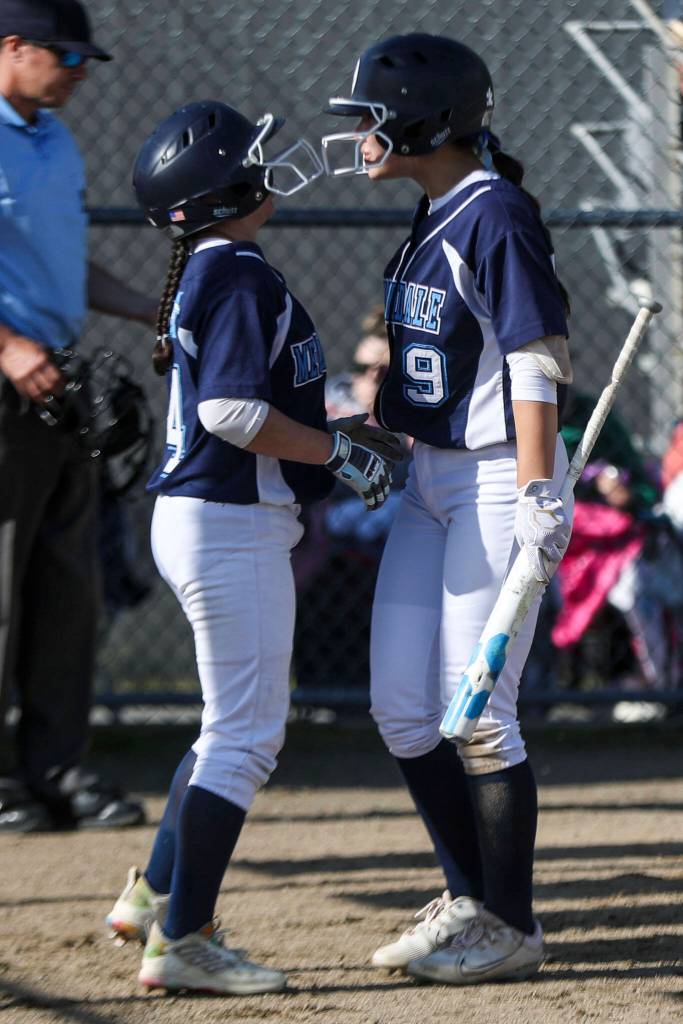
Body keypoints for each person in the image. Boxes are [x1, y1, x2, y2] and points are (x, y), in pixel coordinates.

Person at [105, 99, 400, 995]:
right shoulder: (234, 270)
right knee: (247, 737)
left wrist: (343, 428)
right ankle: (184, 940)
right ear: (222, 188)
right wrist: (340, 451)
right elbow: (228, 414)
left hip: (214, 519)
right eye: (254, 158)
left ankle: (153, 895)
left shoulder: (218, 264)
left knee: (225, 727)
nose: (273, 164)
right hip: (227, 525)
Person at [323, 33, 574, 985]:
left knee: (480, 713)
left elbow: (535, 357)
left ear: (427, 119)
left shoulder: (493, 211)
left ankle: (512, 924)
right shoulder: (435, 213)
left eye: (371, 118)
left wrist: (539, 488)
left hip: (494, 476)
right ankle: (468, 896)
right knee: (400, 706)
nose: (357, 136)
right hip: (430, 479)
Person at [0, 0, 160, 832]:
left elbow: (60, 259)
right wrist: (5, 346)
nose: (79, 70)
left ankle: (59, 769)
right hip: (6, 381)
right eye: (65, 53)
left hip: (57, 388)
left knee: (69, 589)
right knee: (0, 588)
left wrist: (145, 309)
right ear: (14, 46)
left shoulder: (51, 140)